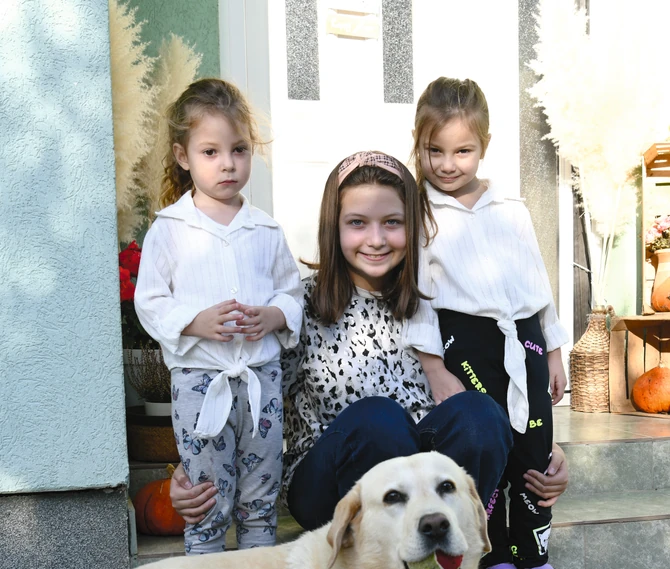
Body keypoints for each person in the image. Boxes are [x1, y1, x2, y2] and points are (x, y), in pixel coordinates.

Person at [171, 150, 568, 539]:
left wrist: (539, 448)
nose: (376, 240)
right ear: (334, 226)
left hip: (422, 486)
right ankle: (391, 557)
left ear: (412, 227)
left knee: (480, 414)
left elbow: (497, 388)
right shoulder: (297, 306)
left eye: (392, 222)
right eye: (357, 223)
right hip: (329, 486)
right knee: (379, 420)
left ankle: (442, 551)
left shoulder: (436, 300)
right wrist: (198, 460)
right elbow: (254, 396)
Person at [405, 76, 580, 569]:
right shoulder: (421, 213)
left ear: (484, 146)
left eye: (463, 150)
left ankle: (536, 559)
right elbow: (416, 298)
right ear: (418, 144)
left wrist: (552, 349)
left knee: (534, 446)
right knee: (495, 444)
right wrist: (434, 365)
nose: (449, 163)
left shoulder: (511, 207)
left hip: (523, 336)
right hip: (468, 340)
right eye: (435, 150)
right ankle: (497, 561)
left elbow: (537, 280)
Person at [134, 78, 303, 554]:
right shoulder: (169, 229)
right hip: (200, 382)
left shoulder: (266, 230)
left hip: (259, 381)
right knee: (207, 498)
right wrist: (193, 322)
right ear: (183, 156)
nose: (228, 163)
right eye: (211, 151)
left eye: (239, 149)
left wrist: (273, 316)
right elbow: (150, 300)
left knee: (260, 499)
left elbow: (292, 294)